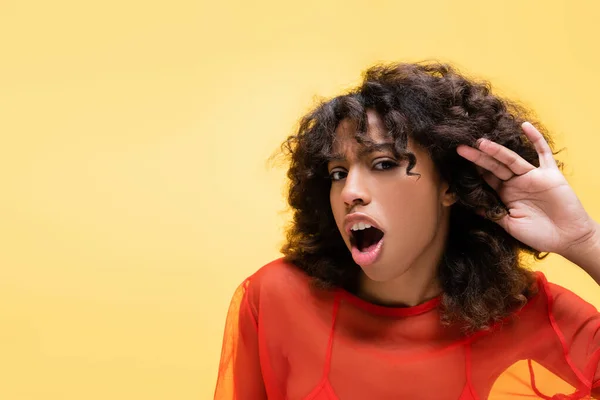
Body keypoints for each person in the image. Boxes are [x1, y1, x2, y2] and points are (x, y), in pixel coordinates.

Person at [213, 62, 600, 399]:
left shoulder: (535, 317)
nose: (350, 192)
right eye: (337, 173)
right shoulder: (276, 298)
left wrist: (586, 242)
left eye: (383, 164)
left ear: (449, 184)